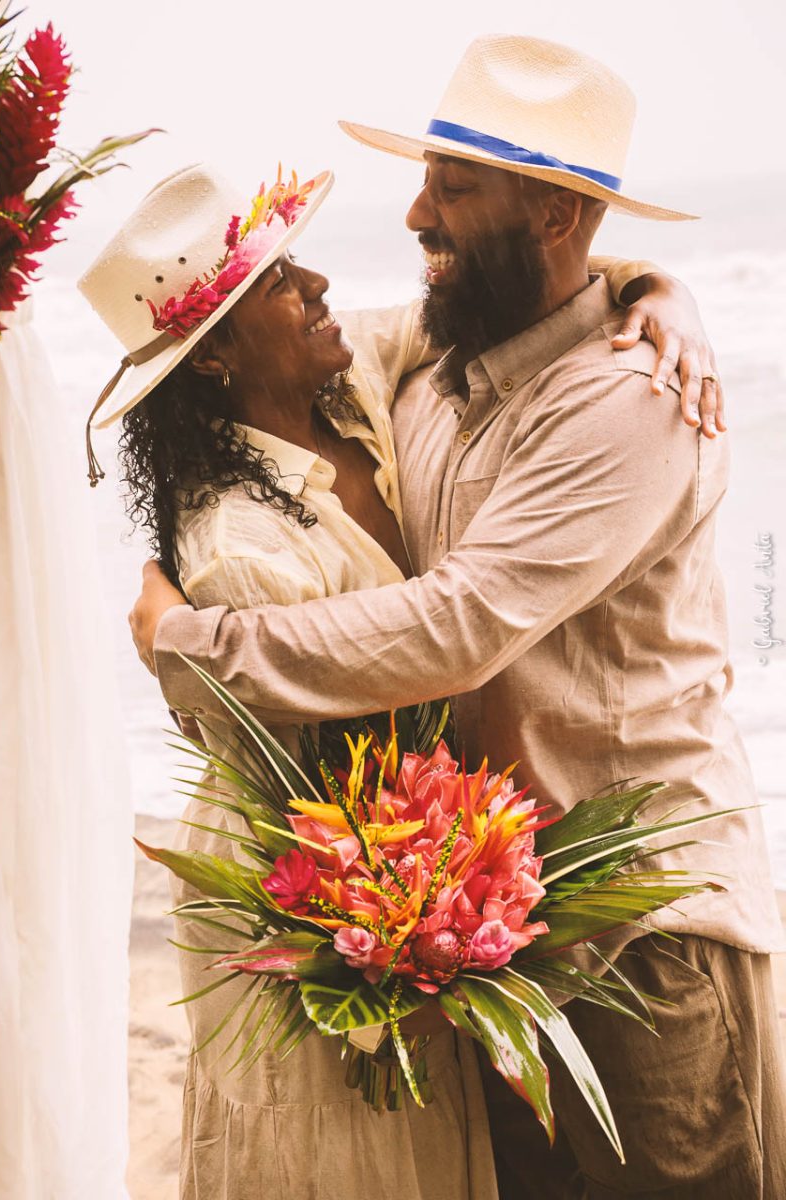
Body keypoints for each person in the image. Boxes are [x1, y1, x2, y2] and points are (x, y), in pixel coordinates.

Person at [128, 35, 786, 1200]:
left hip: (650, 929)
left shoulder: (632, 399)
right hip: (491, 932)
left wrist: (197, 650)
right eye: (427, 177)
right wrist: (648, 278)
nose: (415, 214)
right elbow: (245, 373)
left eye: (453, 187)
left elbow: (459, 623)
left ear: (549, 215)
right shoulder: (430, 354)